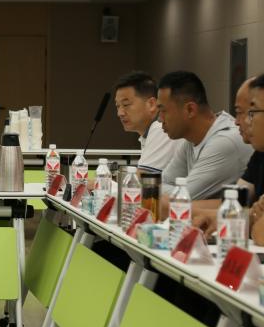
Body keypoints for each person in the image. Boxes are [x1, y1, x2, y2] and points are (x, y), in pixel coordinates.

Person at [158, 71, 252, 203]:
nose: (160, 119)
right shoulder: (190, 141)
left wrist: (157, 190)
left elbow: (183, 199)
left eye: (163, 111)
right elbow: (161, 183)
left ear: (190, 109)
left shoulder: (225, 142)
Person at [194, 74, 264, 245]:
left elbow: (260, 233)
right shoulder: (259, 153)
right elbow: (235, 202)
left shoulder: (225, 142)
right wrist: (251, 215)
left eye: (252, 113)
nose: (243, 121)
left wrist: (252, 218)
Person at [113, 71, 178, 171]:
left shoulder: (161, 129)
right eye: (118, 106)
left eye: (126, 105)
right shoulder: (149, 133)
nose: (120, 113)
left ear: (151, 104)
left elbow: (142, 177)